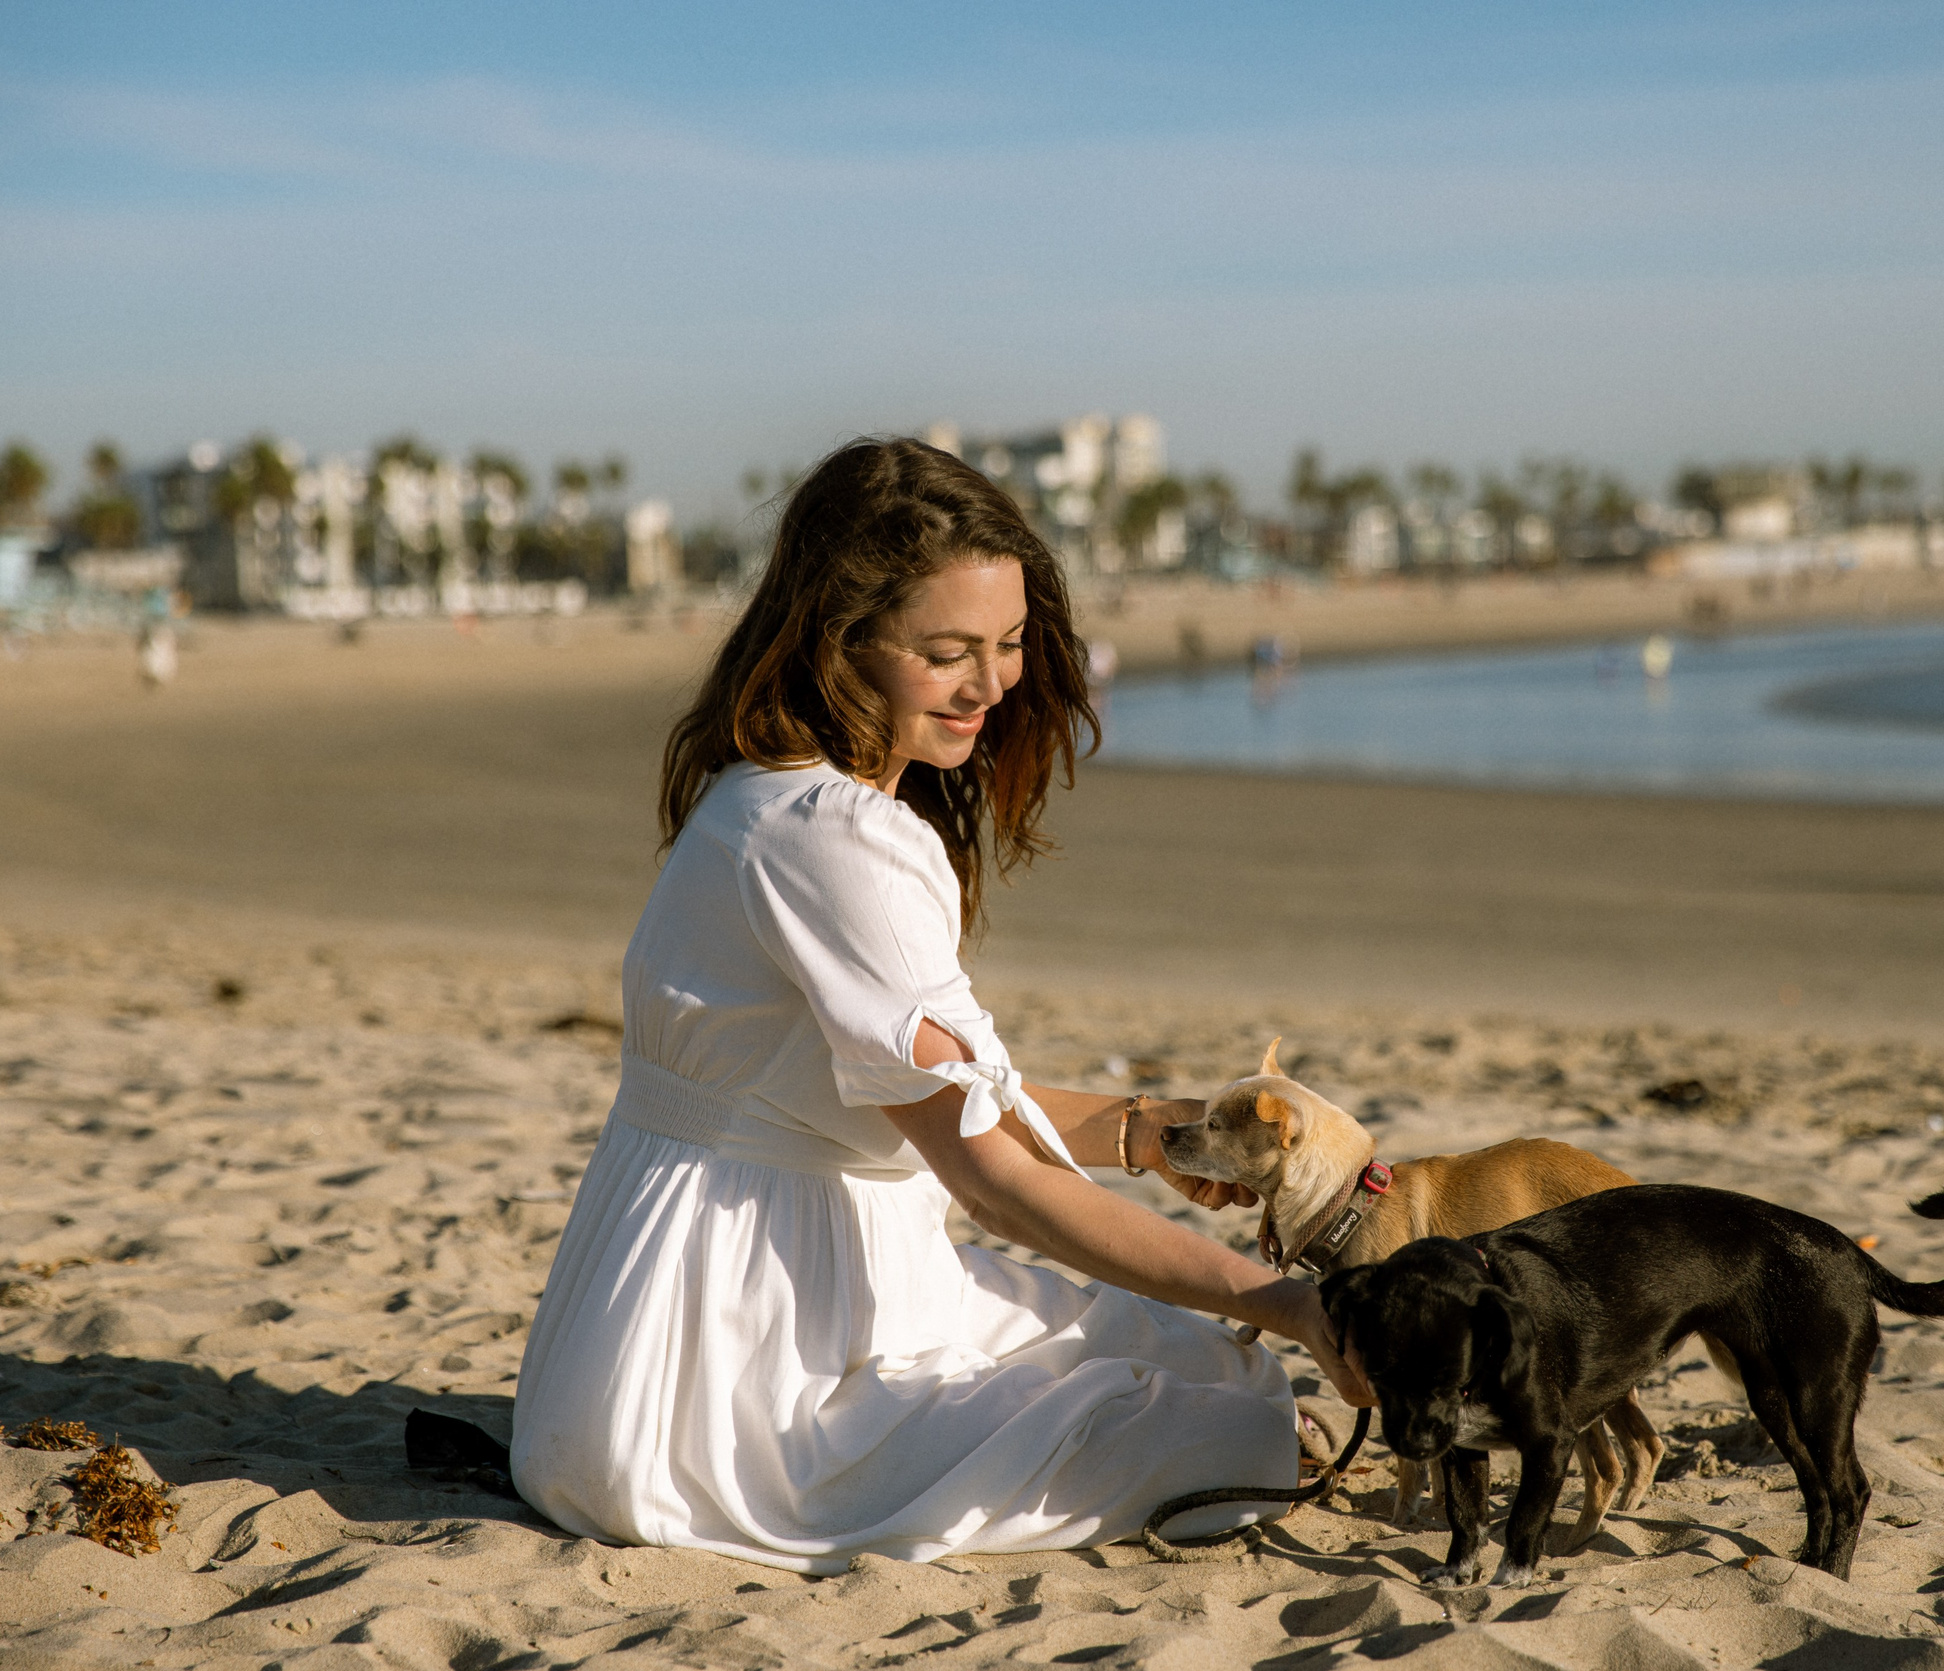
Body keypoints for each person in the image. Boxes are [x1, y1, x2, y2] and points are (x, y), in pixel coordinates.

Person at [512, 438, 1372, 1574]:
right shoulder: (836, 839)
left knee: (1213, 1365)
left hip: (670, 1314)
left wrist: (1148, 1132)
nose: (993, 684)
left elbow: (920, 1095)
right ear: (840, 641)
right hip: (738, 1365)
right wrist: (1294, 1306)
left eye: (1009, 643)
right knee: (1239, 1423)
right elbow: (995, 1185)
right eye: (947, 652)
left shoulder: (761, 790)